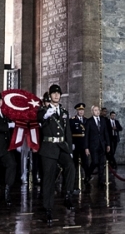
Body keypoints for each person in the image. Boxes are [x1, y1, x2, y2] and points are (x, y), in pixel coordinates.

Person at [37, 84, 76, 224]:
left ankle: (67, 194)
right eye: (53, 93)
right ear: (50, 95)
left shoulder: (64, 112)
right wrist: (47, 114)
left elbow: (67, 132)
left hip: (62, 147)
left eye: (58, 93)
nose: (56, 96)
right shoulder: (43, 111)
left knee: (70, 166)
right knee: (48, 178)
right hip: (48, 147)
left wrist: (70, 151)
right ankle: (48, 208)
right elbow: (40, 119)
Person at [84, 104, 109, 181]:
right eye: (95, 110)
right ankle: (88, 174)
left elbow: (106, 133)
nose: (97, 112)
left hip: (102, 144)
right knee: (95, 162)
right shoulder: (89, 121)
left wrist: (108, 144)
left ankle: (101, 180)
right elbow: (86, 136)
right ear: (92, 112)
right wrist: (86, 148)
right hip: (93, 145)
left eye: (98, 110)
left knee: (101, 164)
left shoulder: (103, 120)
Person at [70, 103, 88, 181]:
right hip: (76, 143)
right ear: (77, 111)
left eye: (82, 110)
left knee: (85, 161)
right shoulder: (72, 120)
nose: (81, 112)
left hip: (84, 144)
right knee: (75, 162)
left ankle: (87, 176)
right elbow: (70, 133)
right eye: (79, 110)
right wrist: (71, 143)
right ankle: (73, 177)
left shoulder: (86, 120)